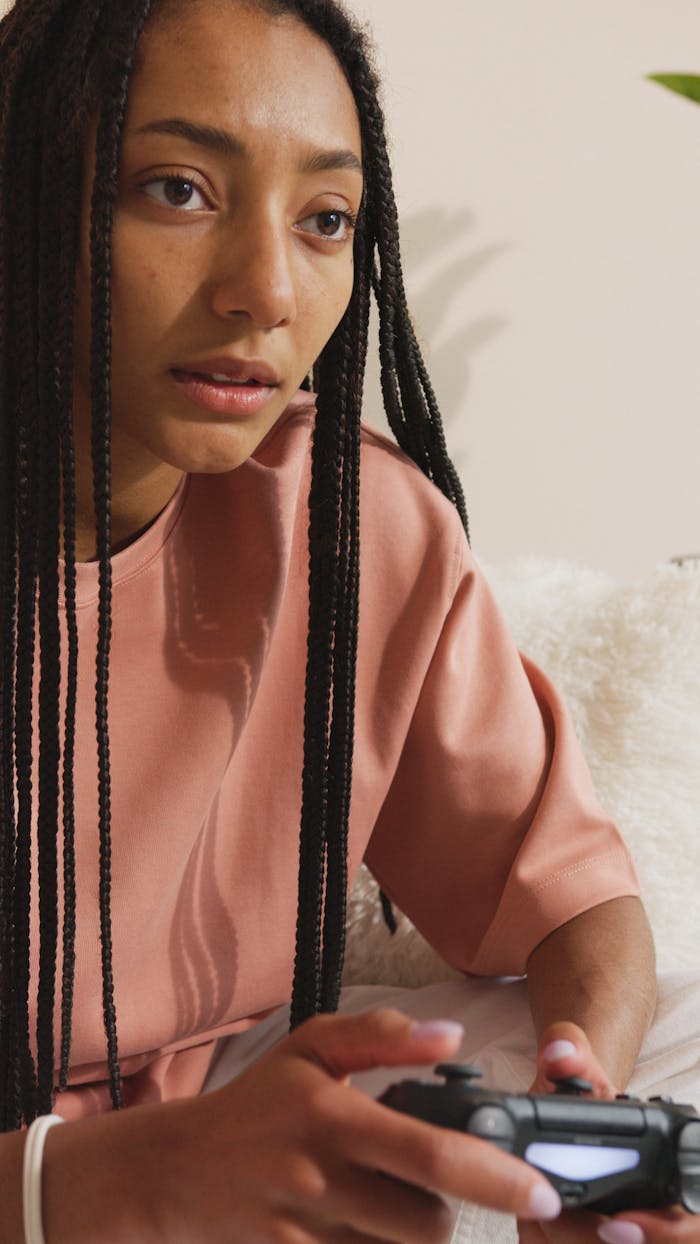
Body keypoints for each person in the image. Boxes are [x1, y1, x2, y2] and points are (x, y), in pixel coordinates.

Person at [0, 0, 692, 1240]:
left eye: (324, 219)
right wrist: (110, 1183)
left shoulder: (341, 520)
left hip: (221, 1100)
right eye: (177, 187)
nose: (265, 289)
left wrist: (580, 1104)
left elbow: (572, 896)